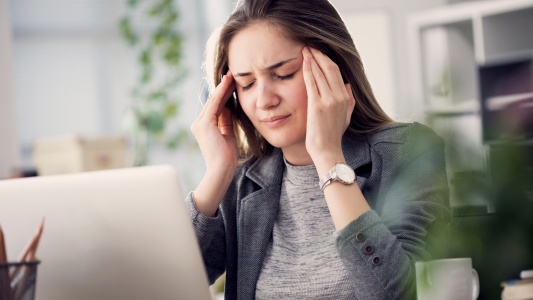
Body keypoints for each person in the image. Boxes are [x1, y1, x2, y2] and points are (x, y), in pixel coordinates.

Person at [187, 0, 451, 299]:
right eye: (246, 84)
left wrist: (328, 157)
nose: (263, 100)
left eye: (284, 74)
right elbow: (165, 283)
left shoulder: (407, 151)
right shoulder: (242, 181)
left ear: (333, 69)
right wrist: (218, 173)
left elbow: (401, 293)